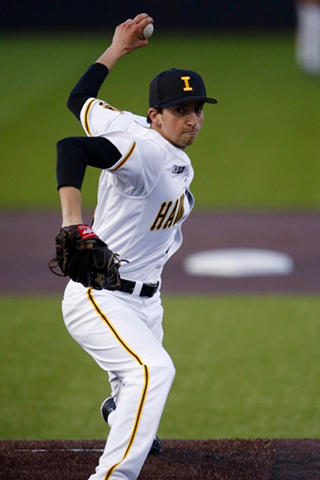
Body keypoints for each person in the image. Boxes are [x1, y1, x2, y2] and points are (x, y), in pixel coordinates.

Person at [55, 13, 217, 480]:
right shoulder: (146, 151)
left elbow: (79, 101)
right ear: (155, 115)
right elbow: (72, 148)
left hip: (147, 300)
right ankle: (112, 477)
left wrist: (116, 49)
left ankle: (120, 407)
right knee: (154, 372)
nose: (192, 119)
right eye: (181, 110)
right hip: (102, 294)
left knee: (138, 380)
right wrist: (72, 224)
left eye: (198, 109)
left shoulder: (124, 123)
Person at [296, 0, 320, 74]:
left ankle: (311, 61)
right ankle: (309, 62)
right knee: (310, 30)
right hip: (310, 8)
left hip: (312, 9)